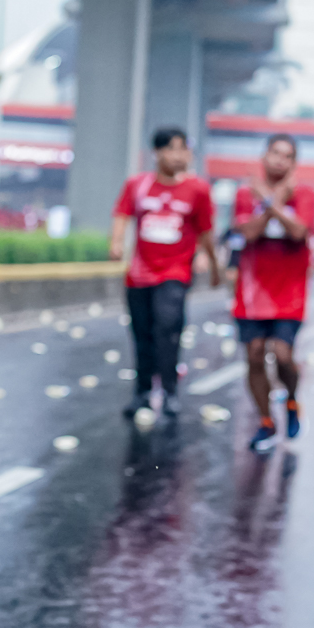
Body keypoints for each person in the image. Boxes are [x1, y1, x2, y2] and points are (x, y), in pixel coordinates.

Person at [110, 126, 220, 418]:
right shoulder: (138, 185)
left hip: (175, 272)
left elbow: (206, 230)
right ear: (156, 153)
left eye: (184, 149)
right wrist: (116, 242)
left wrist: (212, 263)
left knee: (168, 328)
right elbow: (122, 214)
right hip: (139, 274)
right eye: (171, 148)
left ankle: (169, 391)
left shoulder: (198, 190)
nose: (178, 155)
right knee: (142, 333)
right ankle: (142, 392)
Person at [232, 134, 314, 453]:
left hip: (289, 292)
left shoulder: (305, 194)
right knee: (254, 354)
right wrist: (273, 203)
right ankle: (266, 421)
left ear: (294, 163)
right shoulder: (245, 194)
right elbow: (248, 232)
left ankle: (292, 401)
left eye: (287, 156)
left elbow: (299, 231)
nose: (280, 160)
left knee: (282, 354)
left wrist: (270, 202)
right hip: (252, 290)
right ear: (264, 156)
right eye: (275, 153)